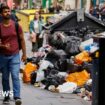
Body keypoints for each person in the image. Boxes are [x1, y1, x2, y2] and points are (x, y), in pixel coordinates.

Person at [0, 6, 26, 105]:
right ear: (1, 14)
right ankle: (6, 97)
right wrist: (2, 45)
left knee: (15, 76)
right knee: (5, 78)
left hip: (15, 55)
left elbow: (22, 40)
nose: (7, 13)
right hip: (2, 56)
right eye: (5, 12)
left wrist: (24, 54)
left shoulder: (16, 25)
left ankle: (17, 97)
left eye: (8, 11)